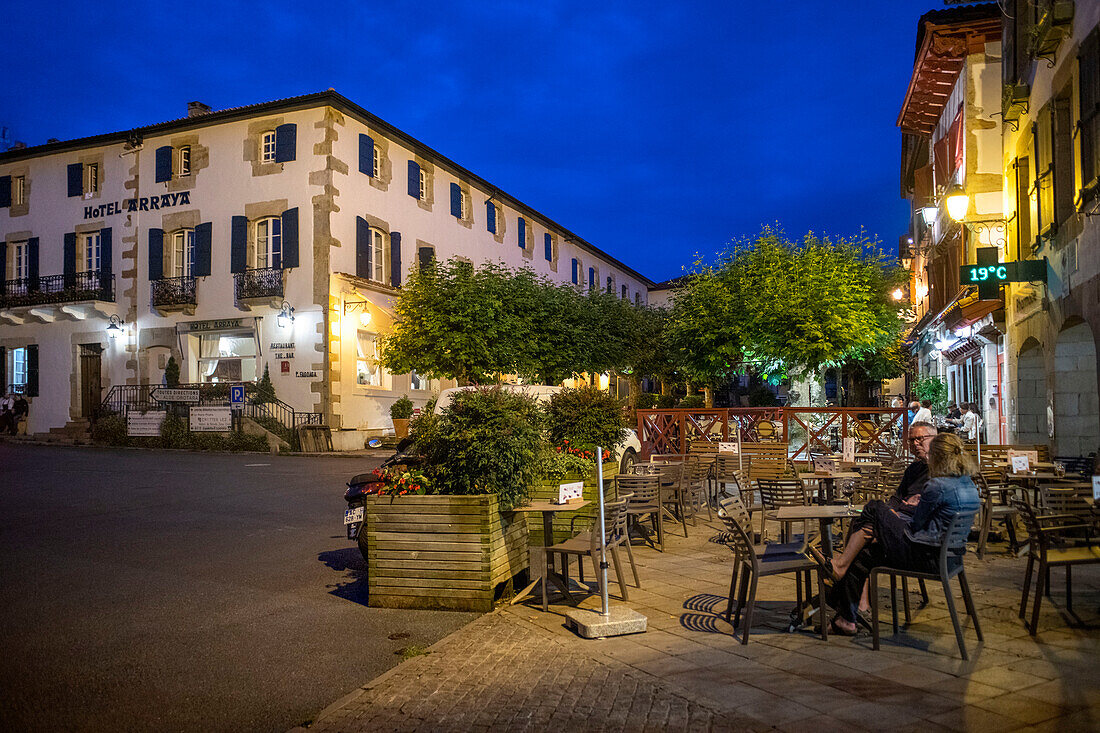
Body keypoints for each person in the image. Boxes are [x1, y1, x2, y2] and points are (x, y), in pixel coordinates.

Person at [823, 433, 980, 634]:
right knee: (864, 554)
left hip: (924, 555)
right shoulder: (969, 485)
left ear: (939, 457)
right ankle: (847, 619)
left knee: (874, 508)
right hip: (950, 558)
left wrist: (909, 507)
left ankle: (840, 565)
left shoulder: (936, 485)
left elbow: (916, 525)